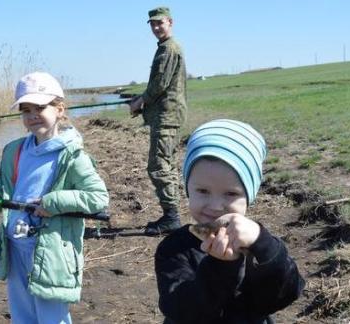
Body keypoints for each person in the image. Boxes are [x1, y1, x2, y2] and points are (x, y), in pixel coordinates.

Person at [0, 72, 109, 324]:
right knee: (22, 316)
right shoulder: (15, 151)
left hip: (52, 255)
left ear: (60, 110)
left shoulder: (73, 156)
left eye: (40, 107)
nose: (32, 115)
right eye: (25, 110)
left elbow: (97, 198)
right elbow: (0, 195)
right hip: (15, 250)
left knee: (51, 317)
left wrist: (52, 203)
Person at [154, 119, 305, 323]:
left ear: (249, 196)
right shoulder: (173, 249)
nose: (216, 206)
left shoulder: (259, 245)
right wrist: (220, 266)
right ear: (187, 189)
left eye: (231, 193)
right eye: (203, 191)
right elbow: (181, 310)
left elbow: (285, 293)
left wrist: (264, 244)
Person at [128, 7, 188, 235]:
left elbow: (159, 85)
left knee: (159, 166)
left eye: (159, 23)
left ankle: (171, 218)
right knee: (166, 165)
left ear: (170, 22)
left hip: (167, 116)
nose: (155, 28)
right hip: (166, 114)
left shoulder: (169, 48)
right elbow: (159, 86)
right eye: (152, 24)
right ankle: (170, 215)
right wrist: (141, 101)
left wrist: (140, 101)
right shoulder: (166, 47)